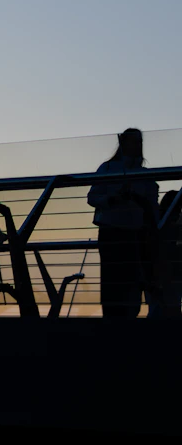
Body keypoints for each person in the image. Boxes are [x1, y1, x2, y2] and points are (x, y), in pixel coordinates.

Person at [87, 129, 159, 319]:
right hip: (113, 233)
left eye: (138, 141)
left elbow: (153, 204)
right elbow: (93, 197)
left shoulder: (142, 174)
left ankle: (127, 317)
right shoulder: (108, 168)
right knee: (113, 281)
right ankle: (113, 318)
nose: (136, 145)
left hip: (135, 234)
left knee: (131, 281)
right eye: (133, 141)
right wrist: (113, 199)